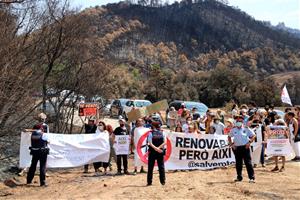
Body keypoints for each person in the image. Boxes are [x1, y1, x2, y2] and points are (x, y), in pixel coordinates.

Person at [228, 115, 256, 183]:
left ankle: (251, 178)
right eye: (238, 121)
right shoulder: (233, 129)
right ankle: (239, 177)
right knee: (238, 163)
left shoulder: (246, 128)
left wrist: (249, 142)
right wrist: (231, 144)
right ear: (236, 122)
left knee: (248, 163)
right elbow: (229, 137)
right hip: (237, 148)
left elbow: (253, 136)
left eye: (240, 121)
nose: (239, 122)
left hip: (245, 147)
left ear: (242, 122)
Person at [147, 121, 166, 186]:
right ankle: (163, 181)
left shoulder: (150, 133)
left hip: (152, 152)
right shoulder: (163, 132)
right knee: (161, 166)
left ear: (153, 126)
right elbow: (165, 142)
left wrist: (156, 148)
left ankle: (149, 182)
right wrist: (158, 148)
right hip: (160, 151)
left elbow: (150, 143)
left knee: (150, 167)